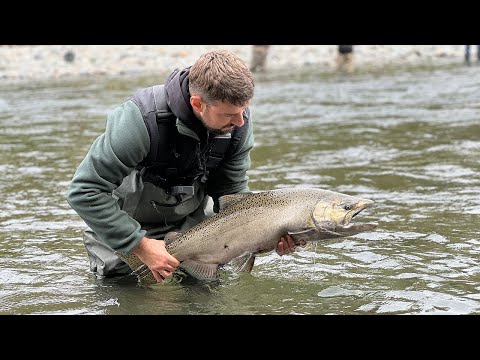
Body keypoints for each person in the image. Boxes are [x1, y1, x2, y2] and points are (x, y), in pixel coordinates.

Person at [66, 49, 303, 284]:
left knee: (206, 294)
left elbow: (232, 196)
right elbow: (84, 191)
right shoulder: (139, 121)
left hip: (191, 224)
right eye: (230, 114)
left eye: (244, 110)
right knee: (126, 291)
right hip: (125, 221)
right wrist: (138, 245)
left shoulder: (237, 124)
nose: (240, 121)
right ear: (198, 103)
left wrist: (260, 238)